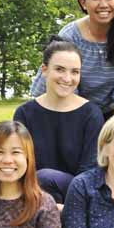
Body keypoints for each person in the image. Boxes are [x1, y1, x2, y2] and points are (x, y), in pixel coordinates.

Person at [14, 38, 104, 207]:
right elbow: (19, 163)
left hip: (79, 197)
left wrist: (65, 207)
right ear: (44, 70)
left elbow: (90, 172)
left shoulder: (91, 114)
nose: (67, 78)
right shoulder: (25, 113)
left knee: (46, 177)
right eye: (60, 70)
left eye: (75, 72)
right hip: (32, 197)